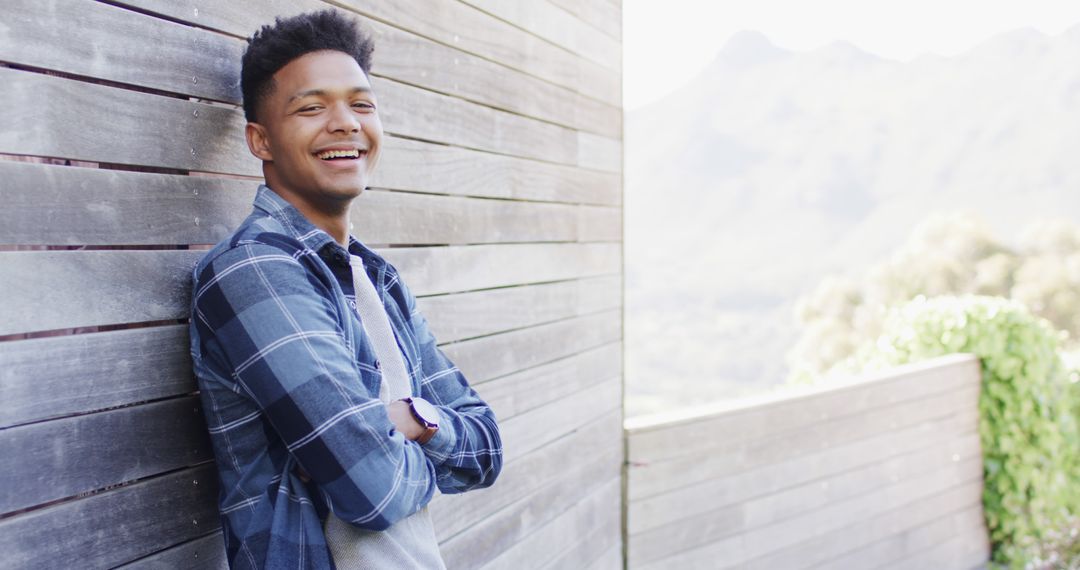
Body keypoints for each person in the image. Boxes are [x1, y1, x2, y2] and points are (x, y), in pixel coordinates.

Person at [188, 9, 503, 569]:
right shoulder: (254, 272)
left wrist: (412, 420)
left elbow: (485, 449)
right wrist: (396, 443)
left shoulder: (373, 277)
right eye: (311, 108)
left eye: (361, 104)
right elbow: (373, 489)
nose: (345, 123)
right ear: (260, 141)